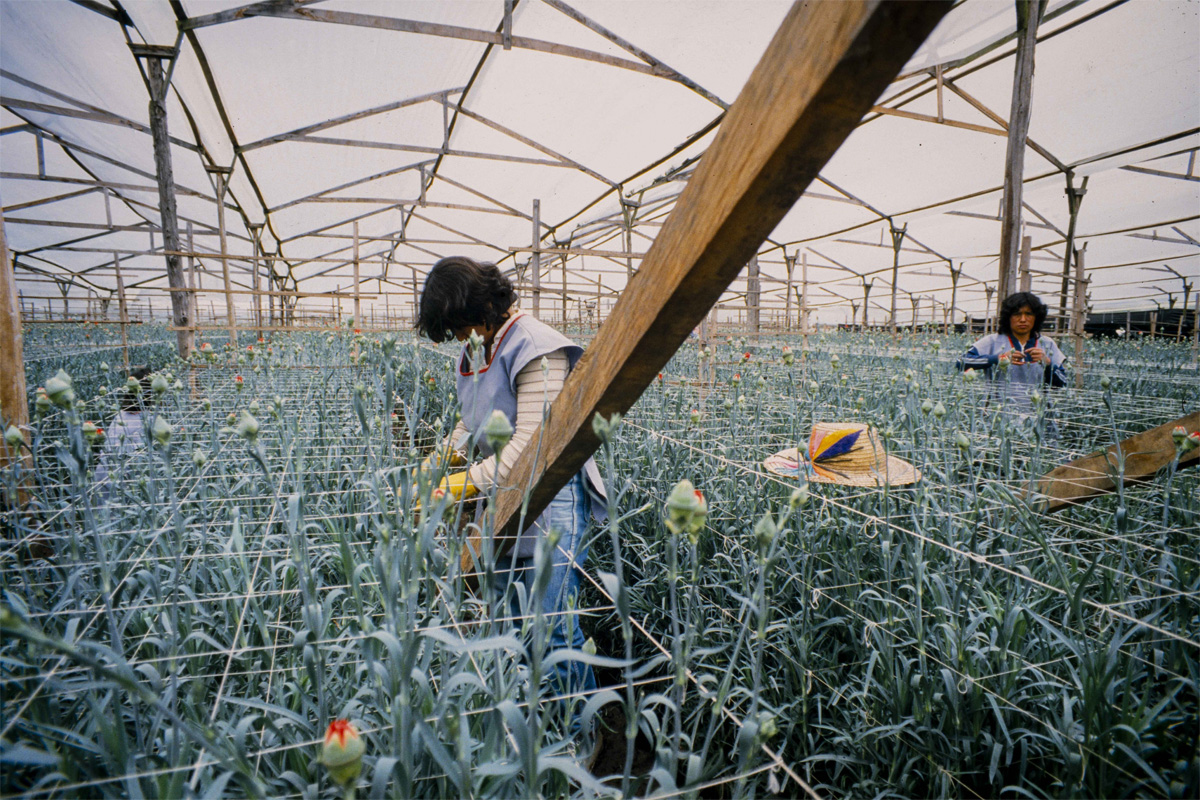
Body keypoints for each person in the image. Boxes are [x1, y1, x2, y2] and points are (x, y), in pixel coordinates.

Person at [416, 255, 606, 712]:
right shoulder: (478, 347)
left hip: (554, 497)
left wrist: (457, 486)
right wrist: (439, 460)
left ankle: (578, 731)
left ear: (480, 307)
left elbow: (531, 448)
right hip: (503, 495)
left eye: (457, 325)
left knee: (551, 628)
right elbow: (471, 423)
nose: (456, 337)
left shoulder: (535, 345)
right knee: (510, 620)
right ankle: (532, 720)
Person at [958, 291, 1068, 418]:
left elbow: (1062, 382)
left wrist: (1048, 364)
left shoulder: (1047, 344)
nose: (1023, 319)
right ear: (1008, 317)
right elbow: (961, 362)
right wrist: (997, 359)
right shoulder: (993, 341)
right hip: (998, 416)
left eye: (1029, 314)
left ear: (1037, 317)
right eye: (1017, 314)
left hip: (1038, 417)